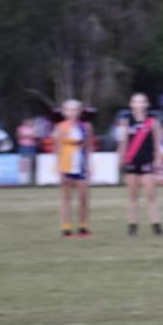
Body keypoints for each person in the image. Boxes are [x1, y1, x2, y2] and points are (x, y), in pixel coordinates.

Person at [116, 93, 163, 237]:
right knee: (132, 196)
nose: (139, 104)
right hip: (131, 161)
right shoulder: (125, 122)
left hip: (146, 161)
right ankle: (132, 226)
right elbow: (123, 142)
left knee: (151, 194)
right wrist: (120, 159)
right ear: (131, 104)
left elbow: (157, 142)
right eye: (136, 102)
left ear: (147, 104)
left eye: (142, 101)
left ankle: (156, 225)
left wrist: (158, 158)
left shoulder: (153, 121)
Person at [54, 100, 93, 238]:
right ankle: (66, 228)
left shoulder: (85, 126)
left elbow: (88, 147)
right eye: (69, 110)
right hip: (66, 165)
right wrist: (59, 168)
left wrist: (88, 165)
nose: (72, 112)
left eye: (75, 109)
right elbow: (57, 148)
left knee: (83, 197)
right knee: (66, 198)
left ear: (80, 111)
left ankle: (83, 227)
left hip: (81, 165)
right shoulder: (60, 127)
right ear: (64, 112)